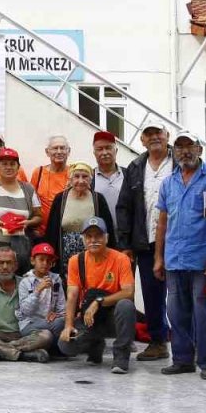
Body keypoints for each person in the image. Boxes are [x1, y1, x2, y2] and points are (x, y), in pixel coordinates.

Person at [154, 130, 206, 380]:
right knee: (176, 313)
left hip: (203, 259)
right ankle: (182, 360)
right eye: (179, 147)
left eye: (190, 146)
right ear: (173, 151)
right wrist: (158, 257)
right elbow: (162, 223)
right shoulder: (168, 183)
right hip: (174, 259)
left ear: (200, 149)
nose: (185, 151)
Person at [114, 122, 173, 361]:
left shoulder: (180, 162)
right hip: (145, 241)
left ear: (167, 135)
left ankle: (191, 343)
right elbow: (124, 207)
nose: (154, 137)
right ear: (142, 140)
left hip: (179, 241)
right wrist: (126, 244)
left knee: (184, 294)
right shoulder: (136, 167)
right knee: (152, 294)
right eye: (148, 134)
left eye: (158, 132)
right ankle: (158, 342)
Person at [60, 218, 137, 373]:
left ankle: (121, 358)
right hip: (90, 318)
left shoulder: (121, 259)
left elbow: (128, 292)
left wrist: (99, 302)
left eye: (98, 236)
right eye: (89, 236)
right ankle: (95, 344)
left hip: (113, 317)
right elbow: (72, 296)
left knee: (126, 305)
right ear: (83, 239)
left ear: (106, 238)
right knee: (66, 346)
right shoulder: (76, 261)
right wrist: (68, 326)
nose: (93, 240)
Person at [43, 162, 116, 269]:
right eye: (76, 176)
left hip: (92, 252)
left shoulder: (98, 199)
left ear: (90, 180)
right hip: (64, 255)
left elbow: (108, 228)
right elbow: (51, 230)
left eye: (85, 177)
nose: (80, 181)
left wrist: (110, 255)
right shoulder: (60, 198)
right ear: (70, 179)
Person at [0, 148, 40, 276]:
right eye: (4, 164)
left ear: (18, 167)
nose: (8, 167)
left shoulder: (28, 189)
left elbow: (38, 217)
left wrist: (28, 223)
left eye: (12, 164)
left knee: (21, 283)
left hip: (21, 252)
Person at [16, 242, 66, 353]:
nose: (45, 263)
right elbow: (25, 311)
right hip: (30, 324)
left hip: (49, 323)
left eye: (49, 261)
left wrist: (56, 314)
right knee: (57, 328)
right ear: (32, 261)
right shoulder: (25, 281)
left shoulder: (56, 280)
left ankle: (41, 349)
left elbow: (63, 309)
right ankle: (51, 348)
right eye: (41, 259)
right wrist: (38, 290)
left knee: (63, 322)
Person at [28, 135, 72, 237]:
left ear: (68, 151)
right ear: (47, 152)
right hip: (40, 233)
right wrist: (33, 228)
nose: (59, 151)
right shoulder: (38, 173)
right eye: (55, 148)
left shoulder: (74, 174)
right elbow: (30, 202)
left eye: (62, 148)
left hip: (64, 234)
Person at [91, 131, 124, 228]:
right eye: (100, 149)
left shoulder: (128, 175)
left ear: (116, 150)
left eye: (108, 148)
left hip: (126, 233)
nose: (104, 153)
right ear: (94, 153)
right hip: (99, 233)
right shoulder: (89, 178)